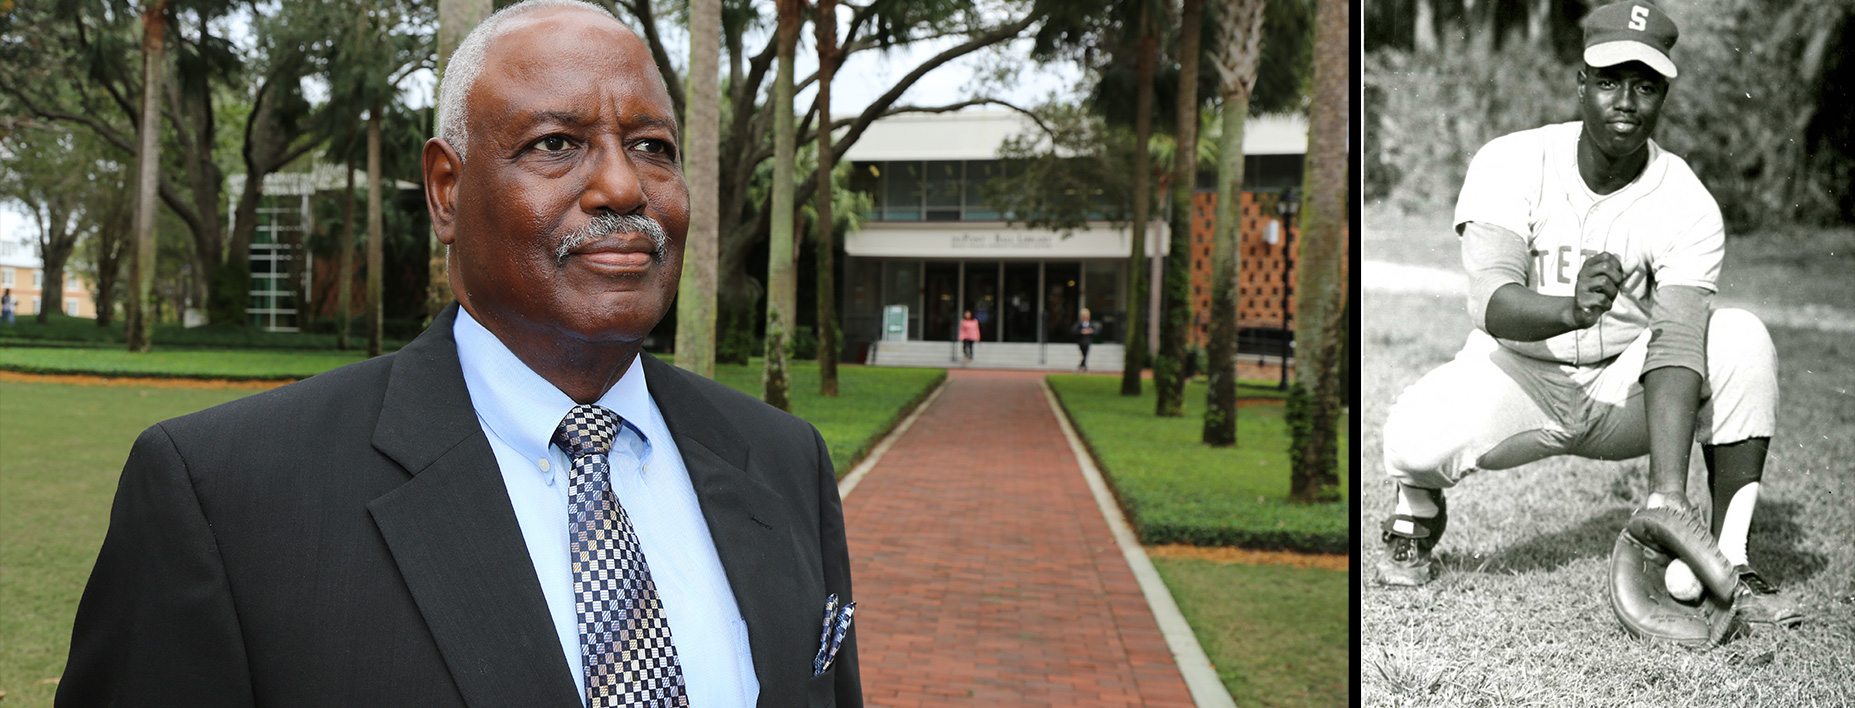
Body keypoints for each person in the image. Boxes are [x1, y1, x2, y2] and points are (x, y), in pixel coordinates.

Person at [57, 2, 862, 706]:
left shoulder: (783, 461)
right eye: (556, 143)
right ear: (446, 189)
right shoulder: (224, 496)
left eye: (652, 146)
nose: (623, 186)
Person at [1372, 1, 1801, 628]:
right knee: (1410, 438)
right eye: (1609, 80)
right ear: (1581, 83)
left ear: (1663, 96)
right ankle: (1418, 505)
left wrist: (1667, 497)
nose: (1626, 100)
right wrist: (1570, 308)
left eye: (1645, 84)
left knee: (1739, 338)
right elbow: (1489, 301)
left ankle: (1728, 561)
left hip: (1625, 385)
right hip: (1520, 372)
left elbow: (1679, 340)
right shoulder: (1512, 161)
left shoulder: (1685, 199)